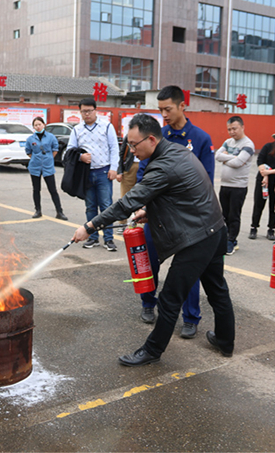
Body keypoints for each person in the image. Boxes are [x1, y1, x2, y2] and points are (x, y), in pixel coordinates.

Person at [71, 113, 235, 366]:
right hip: (214, 228)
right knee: (217, 289)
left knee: (170, 297)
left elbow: (126, 203)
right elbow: (183, 195)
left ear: (151, 139)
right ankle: (225, 340)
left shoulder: (163, 165)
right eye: (128, 144)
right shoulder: (177, 152)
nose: (130, 150)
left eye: (134, 145)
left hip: (199, 238)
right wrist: (150, 211)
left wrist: (90, 226)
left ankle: (152, 350)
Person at [136, 85, 215, 339]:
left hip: (185, 221)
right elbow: (143, 174)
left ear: (183, 106)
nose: (164, 115)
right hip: (156, 216)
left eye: (167, 109)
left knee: (187, 270)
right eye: (160, 110)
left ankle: (191, 317)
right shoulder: (157, 137)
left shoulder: (201, 139)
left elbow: (206, 180)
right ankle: (148, 304)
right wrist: (145, 204)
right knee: (148, 261)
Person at [66, 97, 119, 251]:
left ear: (96, 110)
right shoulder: (77, 130)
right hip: (86, 174)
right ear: (80, 112)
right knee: (90, 207)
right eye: (84, 111)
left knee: (106, 207)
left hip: (104, 172)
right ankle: (93, 237)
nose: (87, 114)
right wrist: (80, 157)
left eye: (89, 111)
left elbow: (114, 148)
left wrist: (113, 168)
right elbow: (69, 151)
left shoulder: (107, 126)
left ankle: (109, 239)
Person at [215, 116, 255, 254]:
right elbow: (217, 155)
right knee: (224, 215)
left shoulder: (248, 144)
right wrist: (233, 158)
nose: (232, 132)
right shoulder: (228, 142)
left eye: (234, 128)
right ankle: (226, 238)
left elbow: (239, 163)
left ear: (243, 127)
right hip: (225, 185)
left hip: (238, 186)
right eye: (229, 129)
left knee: (234, 215)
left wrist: (226, 158)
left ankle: (232, 241)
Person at [25, 117, 67, 220]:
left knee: (53, 190)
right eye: (35, 125)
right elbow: (28, 152)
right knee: (36, 189)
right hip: (35, 167)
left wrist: (47, 159)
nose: (38, 127)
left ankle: (59, 212)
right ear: (33, 127)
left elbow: (55, 149)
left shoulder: (51, 137)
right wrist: (36, 158)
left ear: (44, 124)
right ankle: (38, 211)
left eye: (39, 124)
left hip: (48, 167)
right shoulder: (30, 139)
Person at [249, 127, 275, 241]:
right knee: (258, 204)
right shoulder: (268, 147)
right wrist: (264, 175)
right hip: (263, 181)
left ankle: (271, 229)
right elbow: (260, 161)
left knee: (274, 207)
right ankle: (254, 227)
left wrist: (269, 172)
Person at [115, 136, 139, 232]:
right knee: (125, 196)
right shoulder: (130, 135)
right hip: (130, 166)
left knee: (144, 197)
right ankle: (122, 223)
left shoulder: (150, 133)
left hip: (146, 167)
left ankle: (139, 223)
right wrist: (120, 171)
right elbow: (121, 153)